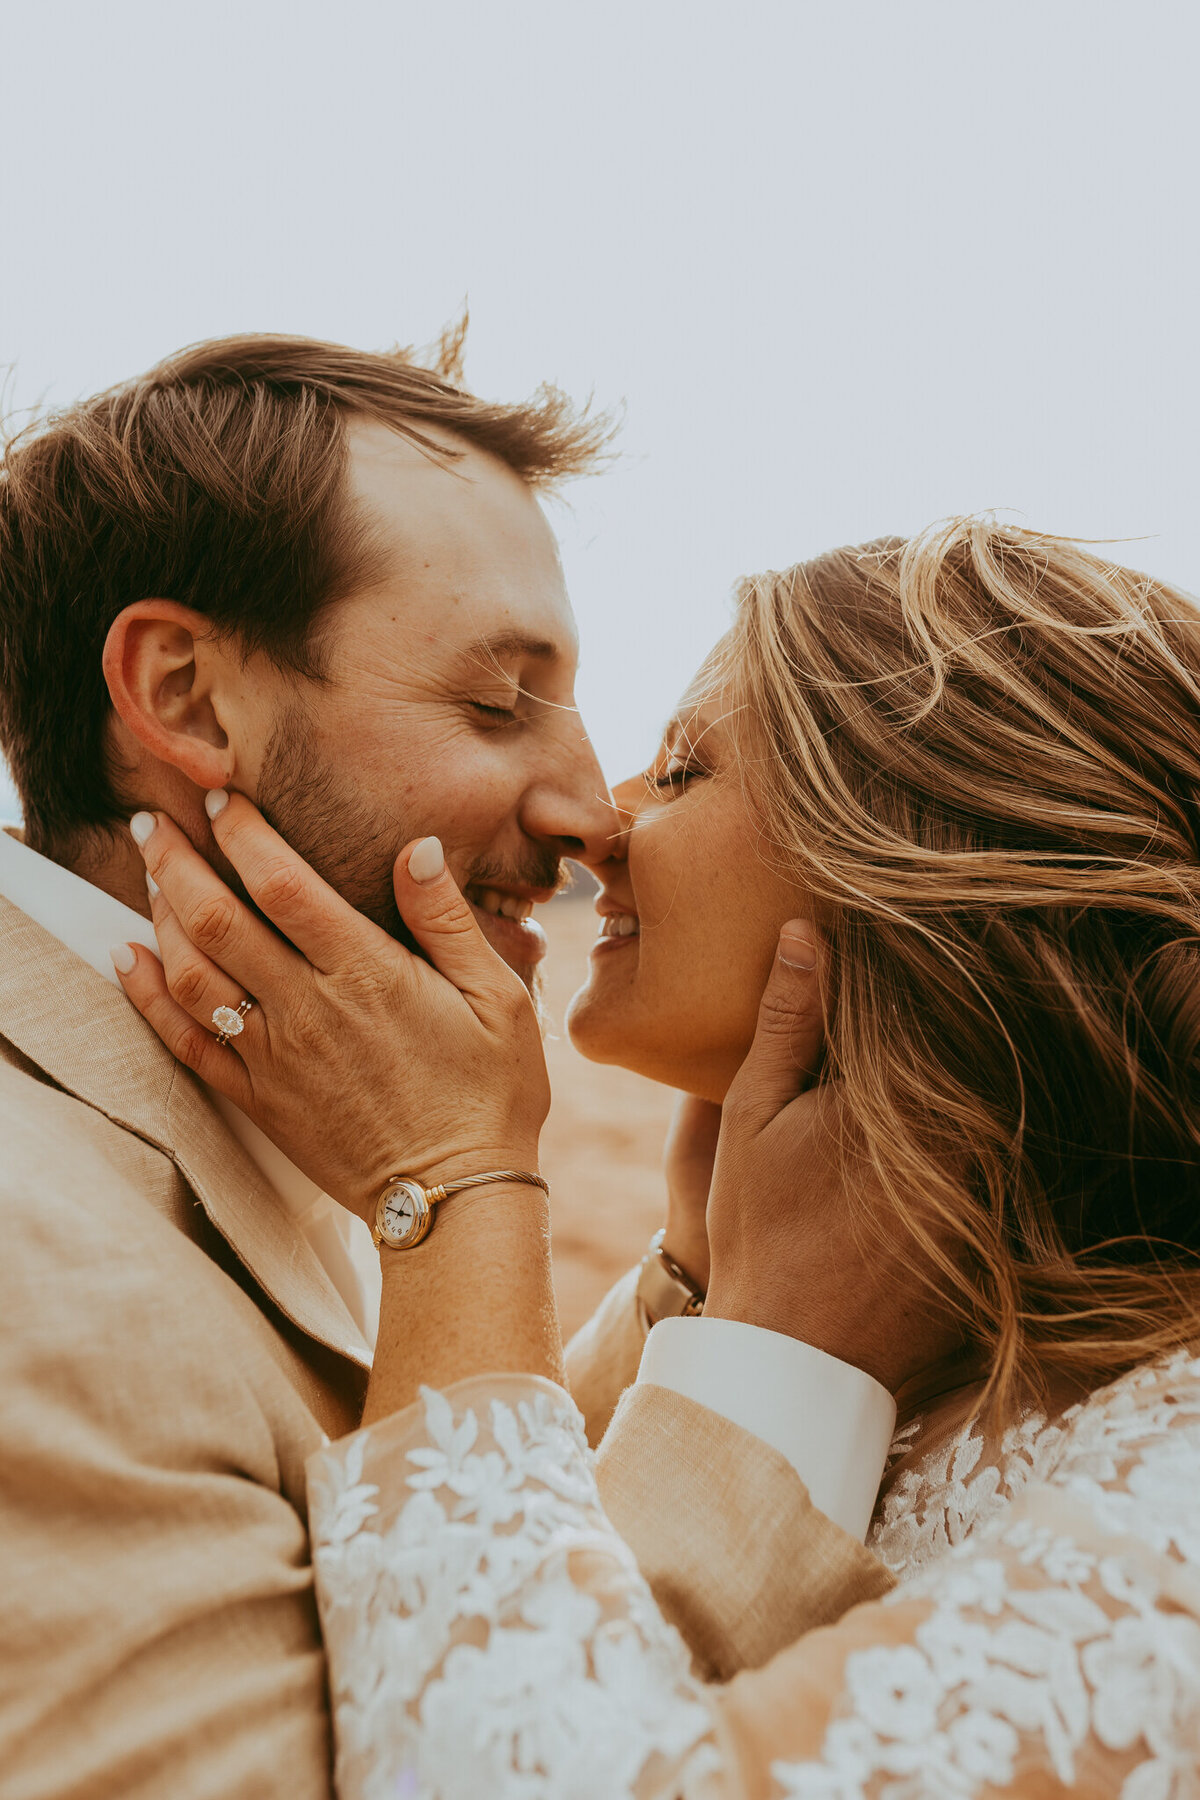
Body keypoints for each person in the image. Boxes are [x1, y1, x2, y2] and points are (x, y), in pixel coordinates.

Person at [118, 519, 1200, 1796]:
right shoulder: (871, 1294)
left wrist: (451, 1179)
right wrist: (696, 1289)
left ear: (912, 860)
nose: (598, 824)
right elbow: (504, 1588)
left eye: (684, 769)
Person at [0, 329, 668, 1796]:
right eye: (497, 703)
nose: (586, 808)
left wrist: (719, 1282)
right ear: (182, 696)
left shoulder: (268, 1088)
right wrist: (465, 1184)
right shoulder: (35, 1263)